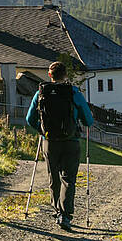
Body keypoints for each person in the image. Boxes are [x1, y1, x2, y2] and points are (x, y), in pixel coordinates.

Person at [25, 61, 96, 230]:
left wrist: (42, 131)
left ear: (50, 75)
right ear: (66, 75)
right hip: (70, 142)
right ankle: (65, 215)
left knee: (53, 178)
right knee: (69, 179)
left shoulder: (41, 93)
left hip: (50, 143)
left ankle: (56, 210)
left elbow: (29, 119)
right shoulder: (73, 92)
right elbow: (88, 120)